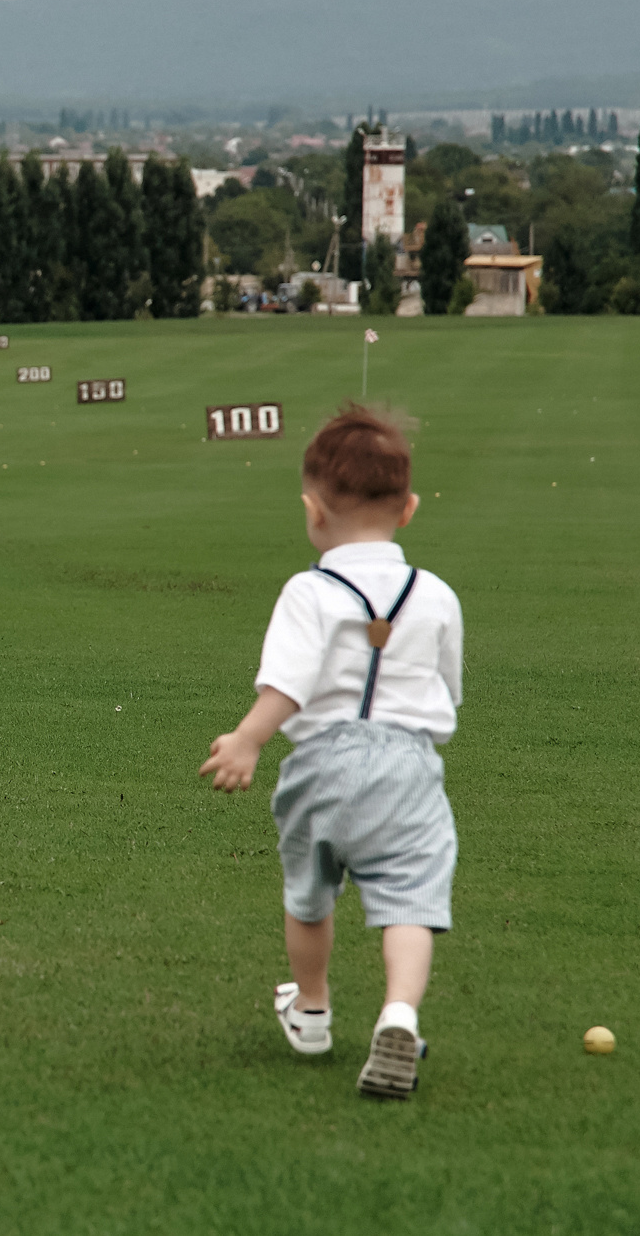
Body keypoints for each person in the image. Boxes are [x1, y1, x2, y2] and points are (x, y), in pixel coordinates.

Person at [198, 403, 463, 1100]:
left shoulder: (308, 593)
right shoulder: (435, 596)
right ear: (408, 509)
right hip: (409, 767)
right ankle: (399, 1013)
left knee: (311, 895)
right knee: (408, 899)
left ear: (313, 512)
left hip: (320, 766)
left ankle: (312, 1011)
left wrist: (247, 740)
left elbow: (287, 683)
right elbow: (449, 688)